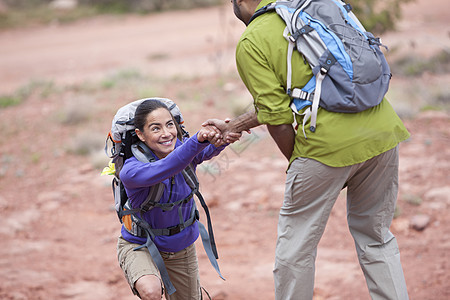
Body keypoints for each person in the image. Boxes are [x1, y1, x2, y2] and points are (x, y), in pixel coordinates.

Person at [203, 0, 411, 299]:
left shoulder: (253, 38)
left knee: (295, 249)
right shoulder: (311, 9)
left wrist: (301, 163)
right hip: (382, 133)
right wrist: (235, 124)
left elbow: (277, 116)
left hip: (325, 146)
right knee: (376, 238)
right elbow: (304, 92)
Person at [117, 99, 239, 300]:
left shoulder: (183, 150)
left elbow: (202, 151)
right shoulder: (131, 171)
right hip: (140, 244)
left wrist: (222, 137)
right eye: (155, 128)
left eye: (170, 124)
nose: (166, 133)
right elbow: (167, 166)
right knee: (150, 290)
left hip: (180, 247)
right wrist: (198, 140)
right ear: (140, 135)